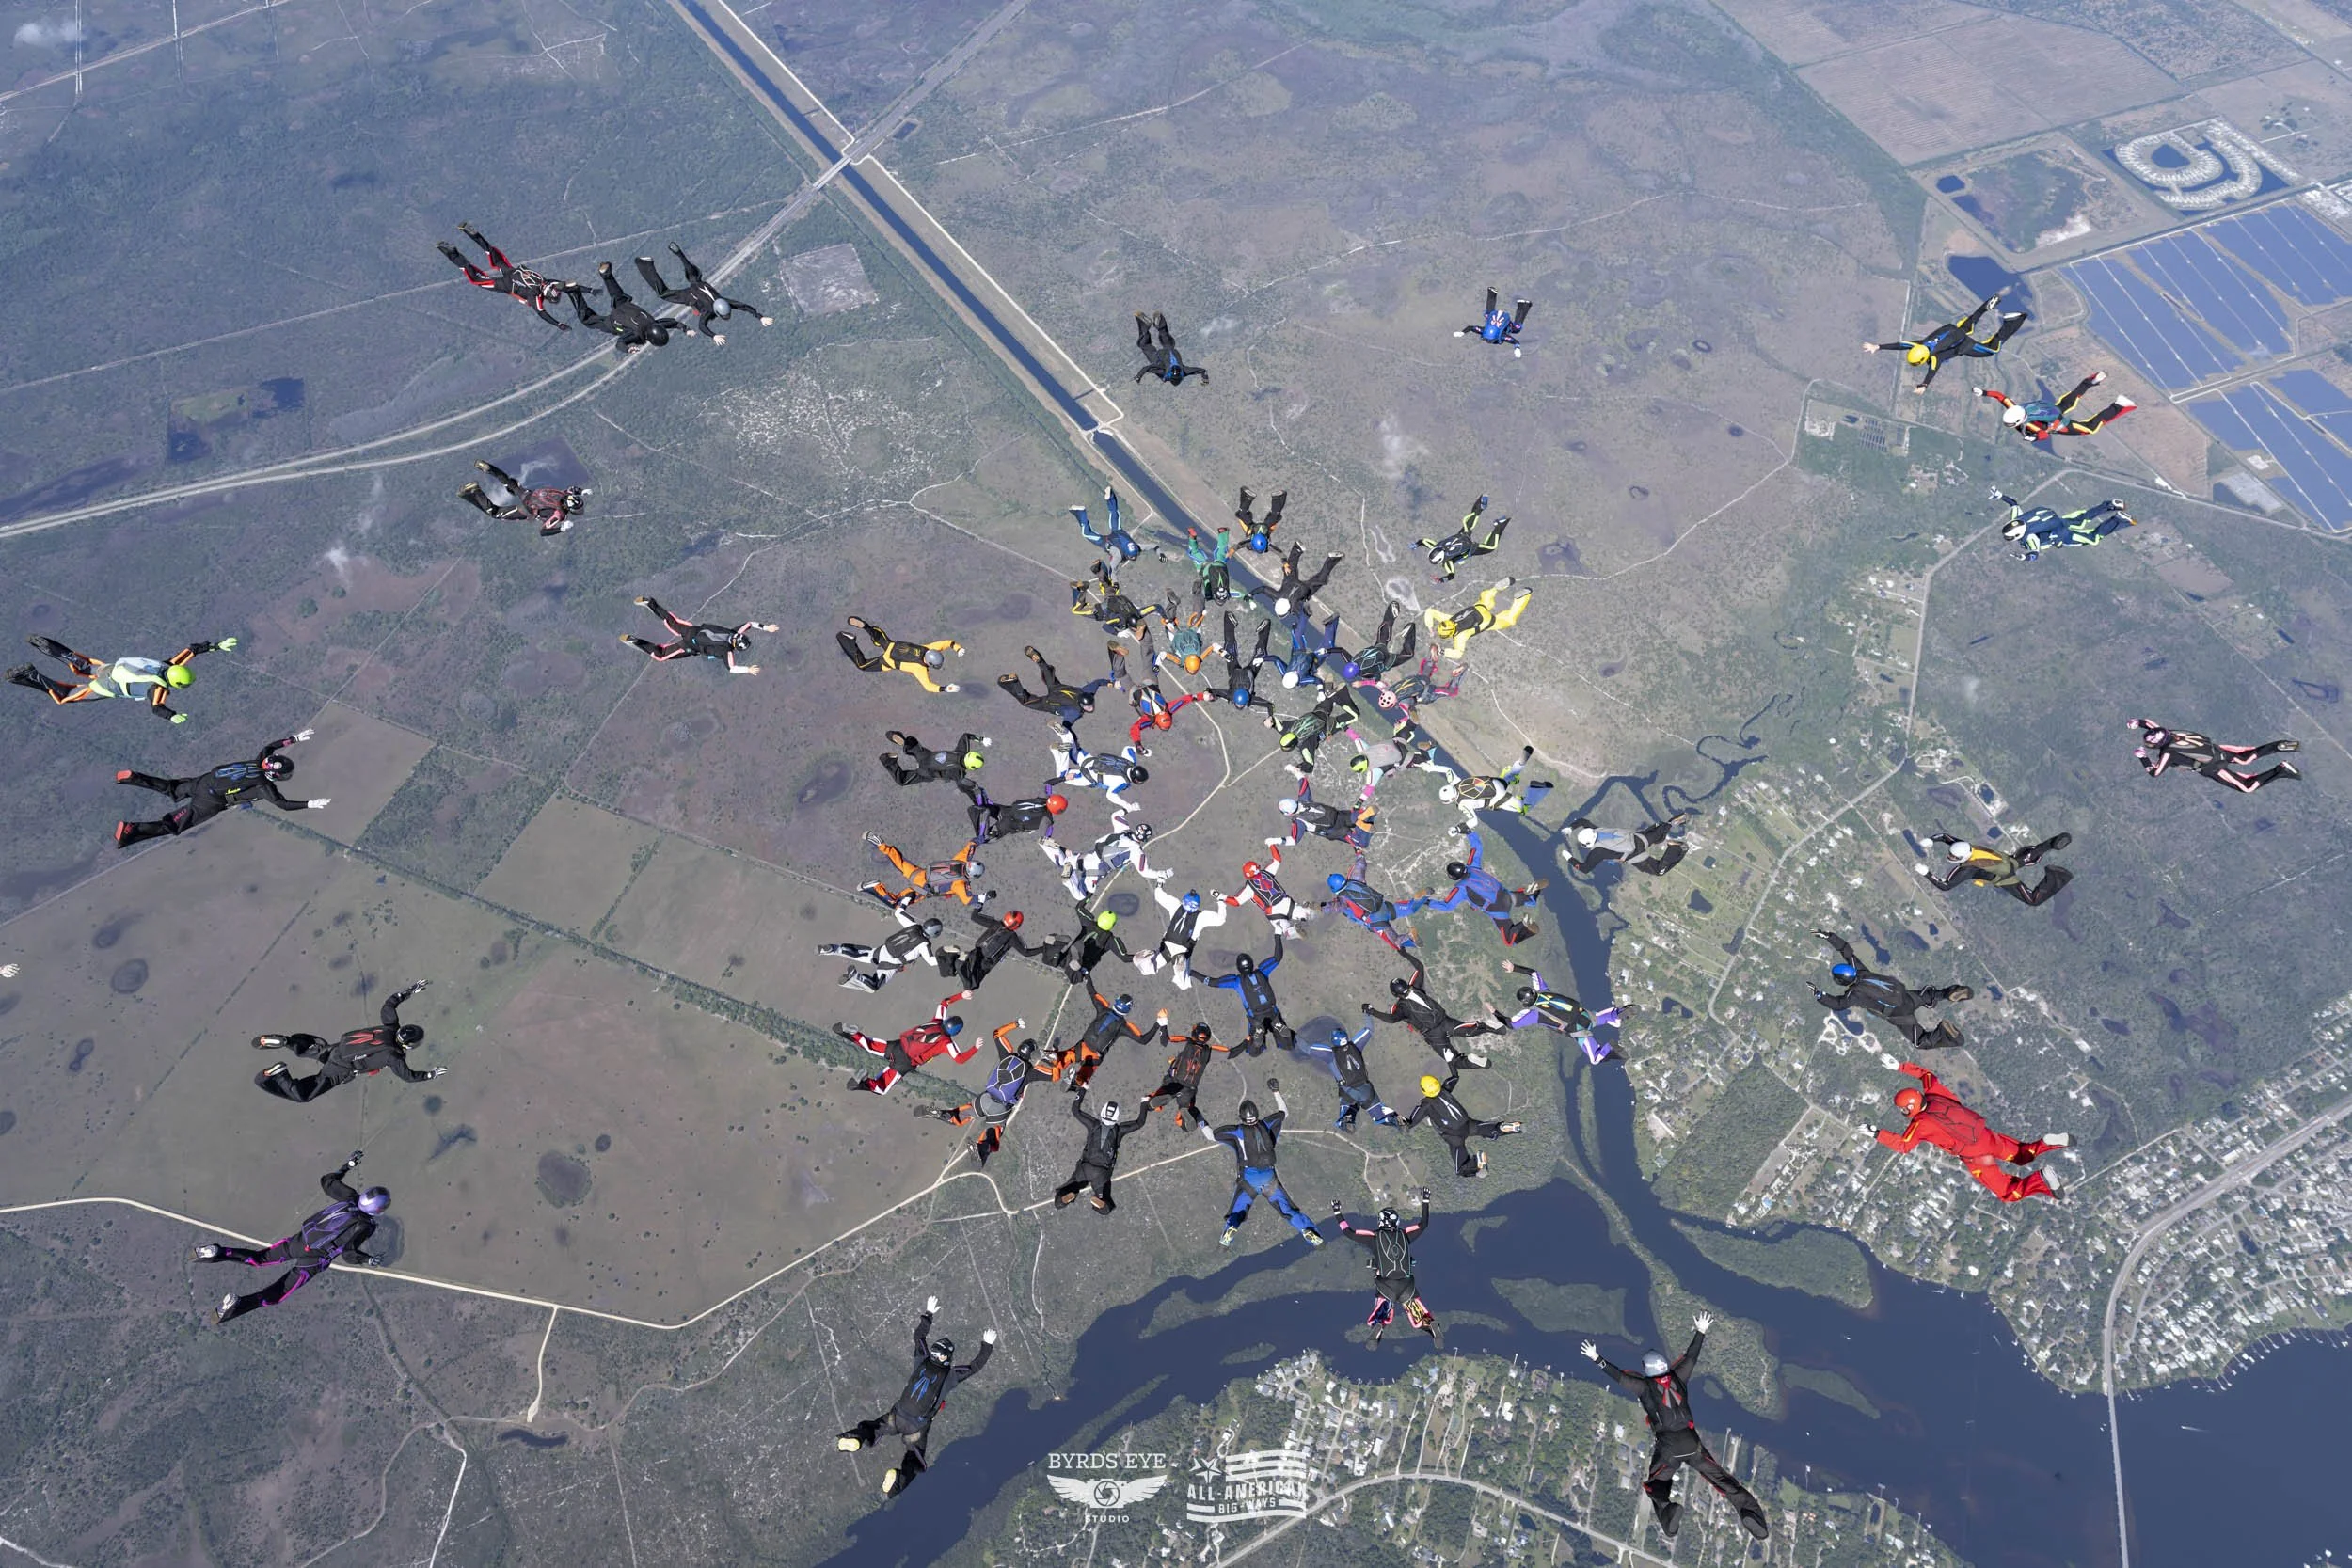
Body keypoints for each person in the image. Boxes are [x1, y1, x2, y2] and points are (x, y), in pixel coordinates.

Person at [1581, 1318, 1770, 1541]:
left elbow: (1620, 1377)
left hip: (1669, 1448)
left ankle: (1668, 1517)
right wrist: (1701, 1331)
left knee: (1656, 1485)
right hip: (1692, 1444)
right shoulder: (1678, 1377)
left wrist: (1596, 1358)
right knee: (1724, 1482)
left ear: (1647, 1370)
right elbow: (1691, 1357)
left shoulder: (1643, 1386)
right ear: (1664, 1365)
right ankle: (1752, 1514)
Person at [198, 1150, 389, 1324]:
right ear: (378, 1210)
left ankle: (218, 1252)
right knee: (275, 1295)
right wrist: (368, 1259)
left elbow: (327, 1182)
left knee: (259, 1258)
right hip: (314, 1260)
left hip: (299, 1242)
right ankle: (237, 1306)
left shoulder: (350, 1198)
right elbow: (348, 1254)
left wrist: (346, 1167)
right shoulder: (365, 1225)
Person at [836, 1299, 996, 1498]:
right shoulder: (951, 1376)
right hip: (917, 1428)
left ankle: (856, 1438)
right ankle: (896, 1482)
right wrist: (987, 1346)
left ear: (934, 1353)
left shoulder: (921, 1360)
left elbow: (919, 1336)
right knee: (915, 1460)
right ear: (948, 1359)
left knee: (873, 1428)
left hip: (897, 1415)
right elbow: (975, 1366)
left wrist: (928, 1314)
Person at [1876, 1060, 2070, 1202]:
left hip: (1975, 1156)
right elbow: (1927, 1075)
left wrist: (1876, 1133)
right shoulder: (1935, 1094)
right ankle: (2046, 1143)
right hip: (1986, 1136)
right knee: (2021, 1154)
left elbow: (1903, 1145)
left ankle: (2039, 1179)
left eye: (1903, 1109)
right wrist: (1900, 1067)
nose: (1903, 1112)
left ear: (1910, 1108)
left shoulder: (1920, 1124)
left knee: (2008, 1192)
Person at [114, 729, 330, 847]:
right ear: (275, 775)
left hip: (203, 780)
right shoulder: (263, 786)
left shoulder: (258, 762)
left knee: (171, 787)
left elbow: (268, 747)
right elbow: (283, 805)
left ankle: (134, 778)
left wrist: (293, 739)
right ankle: (132, 830)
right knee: (173, 826)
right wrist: (310, 804)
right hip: (209, 801)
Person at [253, 981, 444, 1103]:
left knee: (313, 1050)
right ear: (410, 1045)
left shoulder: (390, 1027)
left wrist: (409, 991)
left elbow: (389, 1005)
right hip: (342, 1067)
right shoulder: (393, 1057)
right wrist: (430, 1075)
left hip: (338, 1049)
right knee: (303, 1095)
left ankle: (288, 1041)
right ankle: (279, 1075)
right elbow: (409, 1076)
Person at [9, 633, 236, 723]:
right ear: (176, 683)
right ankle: (31, 675)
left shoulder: (168, 665)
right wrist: (172, 716)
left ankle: (47, 645)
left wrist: (216, 646)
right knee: (66, 696)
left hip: (110, 668)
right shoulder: (159, 688)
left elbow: (191, 650)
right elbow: (156, 707)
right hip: (106, 686)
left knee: (81, 663)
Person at [1812, 930, 1970, 1051]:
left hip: (1900, 1014)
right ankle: (1948, 993)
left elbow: (1838, 1004)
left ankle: (1943, 1032)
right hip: (1905, 996)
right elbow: (1846, 950)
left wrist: (1819, 995)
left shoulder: (1854, 995)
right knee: (1928, 996)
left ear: (1841, 981)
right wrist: (1829, 936)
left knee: (1921, 1042)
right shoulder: (1860, 970)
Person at [1205, 1086, 1323, 1246]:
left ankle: (1230, 1231)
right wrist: (1276, 1091)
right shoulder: (1266, 1125)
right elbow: (1284, 1113)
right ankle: (1308, 1231)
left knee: (1238, 1210)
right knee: (1288, 1210)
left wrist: (1199, 1120)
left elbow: (1211, 1136)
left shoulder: (1237, 1131)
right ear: (1256, 1115)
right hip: (1269, 1178)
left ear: (1241, 1117)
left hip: (1249, 1180)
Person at [929, 1021, 1057, 1164]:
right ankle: (982, 1148)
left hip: (985, 1098)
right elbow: (1055, 1075)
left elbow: (997, 1034)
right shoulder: (1030, 1071)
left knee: (966, 1113)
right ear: (1032, 1055)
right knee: (994, 1133)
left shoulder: (1007, 1055)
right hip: (1001, 1107)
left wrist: (1014, 1024)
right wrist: (1052, 1057)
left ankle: (945, 1114)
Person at [1399, 825, 1546, 946]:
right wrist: (1468, 831)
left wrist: (1425, 901)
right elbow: (1477, 847)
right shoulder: (1473, 867)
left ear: (1453, 877)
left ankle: (1524, 925)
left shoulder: (1461, 889)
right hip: (1506, 895)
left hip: (1497, 908)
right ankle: (1532, 892)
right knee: (1530, 901)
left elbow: (1446, 906)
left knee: (1510, 941)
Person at [1865, 293, 2027, 392]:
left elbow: (1932, 371)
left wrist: (1924, 385)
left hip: (1964, 344)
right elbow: (1901, 345)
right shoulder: (1920, 344)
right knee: (1973, 319)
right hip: (1954, 331)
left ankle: (2014, 320)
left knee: (1992, 350)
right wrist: (1878, 347)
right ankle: (1988, 305)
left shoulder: (1936, 357)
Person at [1334, 1192, 1438, 1344]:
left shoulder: (1374, 1237)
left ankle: (1378, 1326)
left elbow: (1349, 1232)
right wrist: (1426, 1201)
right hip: (1407, 1283)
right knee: (1415, 1309)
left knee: (1382, 1309)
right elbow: (1423, 1224)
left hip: (1385, 1284)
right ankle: (1430, 1325)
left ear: (1381, 1221)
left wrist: (1338, 1213)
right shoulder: (1404, 1235)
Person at [1362, 961, 1498, 1071]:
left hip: (1433, 1035)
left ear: (1395, 995)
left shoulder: (1400, 1007)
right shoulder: (1415, 987)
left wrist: (1372, 1011)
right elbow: (1420, 967)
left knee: (1454, 1061)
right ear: (1406, 985)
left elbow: (1391, 1019)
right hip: (1445, 1021)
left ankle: (1473, 1061)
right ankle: (1489, 1027)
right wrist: (1402, 952)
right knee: (1470, 1030)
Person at [436, 224, 577, 329]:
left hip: (511, 272)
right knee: (476, 279)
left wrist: (568, 286)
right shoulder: (535, 298)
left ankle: (472, 233)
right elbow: (542, 314)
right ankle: (451, 252)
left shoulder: (545, 281)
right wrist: (558, 324)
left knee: (492, 253)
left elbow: (559, 284)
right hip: (505, 285)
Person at [837, 991, 977, 1095]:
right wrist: (975, 1047)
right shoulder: (946, 1043)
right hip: (904, 1063)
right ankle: (863, 1083)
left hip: (898, 1045)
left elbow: (944, 1002)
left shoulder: (937, 1020)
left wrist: (962, 996)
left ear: (947, 1020)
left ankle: (851, 1033)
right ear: (955, 1033)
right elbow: (960, 1059)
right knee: (882, 1088)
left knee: (870, 1045)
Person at [634, 244, 771, 342]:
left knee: (693, 276)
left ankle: (679, 254)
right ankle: (645, 264)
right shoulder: (708, 311)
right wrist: (713, 336)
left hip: (699, 284)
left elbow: (744, 306)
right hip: (690, 296)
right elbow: (702, 326)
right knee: (663, 293)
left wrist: (760, 317)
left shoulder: (723, 301)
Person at [1500, 960, 1625, 1066]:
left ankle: (1611, 1048)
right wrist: (1514, 968)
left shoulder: (1534, 1014)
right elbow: (1533, 972)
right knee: (1599, 1018)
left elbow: (1511, 1025)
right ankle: (1615, 1015)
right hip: (1583, 1014)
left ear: (1525, 1002)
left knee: (1596, 1058)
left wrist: (1494, 1012)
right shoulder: (1543, 991)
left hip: (1576, 1029)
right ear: (1533, 991)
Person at [2129, 718, 2299, 793]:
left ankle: (2282, 771)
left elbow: (2155, 773)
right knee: (2245, 758)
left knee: (2246, 787)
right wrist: (2137, 722)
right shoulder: (2170, 733)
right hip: (2216, 751)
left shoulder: (2168, 753)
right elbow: (2150, 724)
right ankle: (2279, 746)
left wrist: (2142, 757)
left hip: (2212, 767)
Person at [1404, 1069, 1522, 1177]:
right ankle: (1502, 1128)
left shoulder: (1425, 1105)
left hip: (1454, 1136)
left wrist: (1389, 1117)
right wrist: (1453, 1064)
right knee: (1486, 1129)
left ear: (1424, 1090)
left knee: (1461, 1169)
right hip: (1466, 1124)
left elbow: (1409, 1124)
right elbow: (1454, 1078)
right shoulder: (1445, 1090)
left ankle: (1478, 1163)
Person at [621, 597, 776, 673]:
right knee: (661, 655)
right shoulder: (726, 651)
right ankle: (636, 642)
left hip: (693, 630)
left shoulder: (734, 632)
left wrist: (766, 627)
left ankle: (650, 603)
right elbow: (732, 668)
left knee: (671, 621)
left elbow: (750, 624)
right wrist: (748, 669)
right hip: (690, 645)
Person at [1057, 1088, 1151, 1212]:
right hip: (1101, 1173)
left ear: (1102, 1113)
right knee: (1107, 1207)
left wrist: (1083, 1090)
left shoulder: (1093, 1125)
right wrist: (1144, 1103)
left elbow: (1075, 1111)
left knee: (1061, 1198)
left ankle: (1065, 1197)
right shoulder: (1119, 1131)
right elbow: (1139, 1123)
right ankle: (1101, 1202)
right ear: (1117, 1117)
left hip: (1085, 1168)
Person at [1921, 831, 2072, 906]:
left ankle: (2057, 876)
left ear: (1961, 858)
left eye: (1953, 857)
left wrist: (1927, 873)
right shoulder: (1968, 847)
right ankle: (2053, 843)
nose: (1950, 857)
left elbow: (1945, 886)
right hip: (2011, 861)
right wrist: (1931, 840)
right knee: (2035, 852)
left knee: (2033, 900)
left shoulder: (1968, 868)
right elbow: (1946, 837)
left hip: (2006, 878)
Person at [1053, 990, 1165, 1090]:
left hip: (1084, 1044)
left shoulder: (1103, 1010)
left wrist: (1086, 975)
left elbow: (1093, 994)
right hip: (1095, 1054)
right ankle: (1078, 1079)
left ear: (1116, 1002)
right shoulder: (1123, 1026)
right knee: (1085, 1075)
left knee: (1066, 1056)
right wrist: (1158, 1024)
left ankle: (1055, 1057)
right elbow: (1143, 1040)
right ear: (1128, 1009)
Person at [1200, 940, 1295, 1054]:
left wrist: (1191, 973)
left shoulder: (1237, 981)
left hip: (1256, 1017)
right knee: (1289, 1045)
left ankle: (1258, 1035)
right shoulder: (1262, 972)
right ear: (1251, 963)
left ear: (1239, 968)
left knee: (1253, 1051)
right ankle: (1278, 1027)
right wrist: (1277, 935)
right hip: (1272, 1012)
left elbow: (1212, 982)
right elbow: (1278, 957)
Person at [820, 907, 946, 993]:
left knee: (863, 954)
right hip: (891, 963)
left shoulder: (913, 926)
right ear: (935, 934)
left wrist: (907, 898)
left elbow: (899, 912)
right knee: (874, 986)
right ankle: (857, 977)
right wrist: (948, 958)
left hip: (883, 950)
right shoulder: (924, 945)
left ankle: (835, 949)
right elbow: (931, 961)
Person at [1295, 1023, 1397, 1129]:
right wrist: (1368, 1013)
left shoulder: (1330, 1054)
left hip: (1348, 1090)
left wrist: (1294, 1036)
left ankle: (1347, 1118)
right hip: (1366, 1089)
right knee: (1379, 1116)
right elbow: (1369, 1029)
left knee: (1347, 1104)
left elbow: (1307, 1048)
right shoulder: (1355, 1046)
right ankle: (1394, 1120)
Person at [1043, 818, 1169, 903]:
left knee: (1063, 861)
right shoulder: (1136, 851)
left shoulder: (1124, 831)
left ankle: (1046, 845)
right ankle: (1069, 878)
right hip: (1098, 869)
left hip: (1090, 856)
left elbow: (1115, 816)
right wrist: (1162, 874)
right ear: (1145, 839)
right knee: (1081, 895)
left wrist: (1128, 808)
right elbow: (1144, 871)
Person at [1978, 373, 2134, 440]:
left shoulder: (2030, 423)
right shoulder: (2016, 408)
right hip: (2051, 410)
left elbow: (2044, 435)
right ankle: (2091, 380)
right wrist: (1984, 392)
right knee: (2070, 400)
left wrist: (2034, 437)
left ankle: (2119, 405)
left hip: (2058, 423)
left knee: (2090, 428)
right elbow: (2001, 397)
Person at [1422, 746, 1552, 825]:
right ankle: (1520, 763)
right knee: (1509, 777)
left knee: (1524, 808)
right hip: (1493, 782)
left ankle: (1536, 789)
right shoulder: (1455, 782)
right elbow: (1447, 769)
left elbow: (1473, 821)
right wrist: (1431, 768)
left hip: (1497, 797)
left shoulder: (1463, 804)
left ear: (1450, 799)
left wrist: (1459, 828)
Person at [1993, 489, 2135, 561]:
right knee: (2083, 517)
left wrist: (2024, 557)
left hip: (2064, 536)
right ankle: (2110, 505)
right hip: (2059, 522)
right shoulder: (2019, 518)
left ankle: (2118, 520)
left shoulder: (2028, 538)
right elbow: (2014, 504)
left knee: (2093, 538)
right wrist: (2000, 496)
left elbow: (2035, 554)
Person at [567, 262, 680, 351]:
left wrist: (684, 328)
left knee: (618, 295)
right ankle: (573, 292)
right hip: (613, 322)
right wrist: (629, 349)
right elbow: (620, 344)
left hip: (627, 308)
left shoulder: (654, 322)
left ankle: (606, 274)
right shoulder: (636, 334)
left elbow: (671, 322)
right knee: (587, 320)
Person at [837, 616, 965, 694]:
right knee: (862, 665)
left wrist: (958, 649)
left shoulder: (929, 648)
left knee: (878, 639)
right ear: (930, 663)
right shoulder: (919, 668)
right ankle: (848, 640)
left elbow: (947, 643)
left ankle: (866, 627)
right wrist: (945, 689)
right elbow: (928, 686)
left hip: (891, 645)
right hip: (887, 661)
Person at [458, 460, 589, 536]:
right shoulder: (559, 515)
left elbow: (572, 489)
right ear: (568, 508)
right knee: (495, 513)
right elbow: (543, 532)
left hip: (529, 495)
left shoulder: (564, 495)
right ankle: (475, 490)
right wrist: (561, 528)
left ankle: (488, 468)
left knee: (510, 483)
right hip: (526, 509)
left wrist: (582, 491)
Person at [1134, 885, 1228, 989]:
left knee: (1147, 970)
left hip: (1167, 946)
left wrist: (1160, 882)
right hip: (1183, 949)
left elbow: (1158, 895)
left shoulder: (1175, 905)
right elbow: (1221, 920)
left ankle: (1146, 957)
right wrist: (1220, 899)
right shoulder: (1202, 916)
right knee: (1183, 985)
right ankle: (1178, 962)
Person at [862, 833, 988, 909]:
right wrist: (984, 898)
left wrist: (983, 838)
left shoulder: (961, 860)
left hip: (920, 873)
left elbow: (972, 845)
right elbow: (969, 900)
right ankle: (876, 887)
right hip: (920, 889)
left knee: (898, 860)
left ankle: (880, 844)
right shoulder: (960, 884)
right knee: (896, 904)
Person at [997, 643, 1115, 724]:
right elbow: (1066, 726)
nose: (1091, 707)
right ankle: (1015, 682)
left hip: (1058, 688)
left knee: (1047, 673)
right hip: (1048, 703)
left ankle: (1040, 662)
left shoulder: (1087, 692)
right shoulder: (1075, 712)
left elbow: (1097, 682)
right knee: (1026, 701)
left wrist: (1111, 683)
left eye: (1090, 705)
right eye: (1089, 707)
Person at [1143, 1022, 1227, 1130]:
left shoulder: (1186, 1044)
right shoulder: (1208, 1052)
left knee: (1155, 1098)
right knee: (1187, 1107)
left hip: (1174, 1081)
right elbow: (1230, 1053)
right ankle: (1185, 1114)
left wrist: (1163, 1025)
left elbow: (1165, 1041)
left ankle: (1156, 1101)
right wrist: (1247, 1043)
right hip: (1189, 1088)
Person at [936, 905, 1039, 992]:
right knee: (971, 986)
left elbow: (974, 917)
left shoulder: (995, 924)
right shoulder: (1012, 937)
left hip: (975, 953)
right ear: (1016, 925)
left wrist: (981, 901)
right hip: (985, 963)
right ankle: (959, 965)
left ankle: (948, 964)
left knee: (957, 971)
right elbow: (1026, 952)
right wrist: (1043, 949)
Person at [1424, 578, 1531, 659]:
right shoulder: (1449, 619)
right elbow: (1430, 612)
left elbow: (1458, 654)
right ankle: (1494, 590)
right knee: (1486, 597)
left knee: (1509, 619)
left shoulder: (1460, 636)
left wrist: (1442, 652)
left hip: (1487, 621)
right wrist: (1430, 628)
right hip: (1479, 607)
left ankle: (1521, 598)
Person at [1047, 723, 1150, 808]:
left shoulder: (1130, 762)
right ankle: (1059, 751)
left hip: (1091, 760)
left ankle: (1066, 737)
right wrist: (1127, 806)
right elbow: (1111, 795)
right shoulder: (1123, 782)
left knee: (1073, 750)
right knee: (1062, 776)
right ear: (1135, 780)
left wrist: (1143, 751)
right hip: (1087, 776)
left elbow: (1128, 749)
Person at [1223, 842, 1312, 937]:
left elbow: (1236, 902)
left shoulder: (1249, 888)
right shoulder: (1266, 873)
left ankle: (1293, 930)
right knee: (1307, 914)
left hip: (1272, 911)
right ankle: (1314, 912)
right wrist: (1271, 844)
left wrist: (1220, 896)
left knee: (1286, 930)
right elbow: (1277, 859)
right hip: (1285, 902)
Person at [1202, 611, 1279, 721]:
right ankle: (1228, 620)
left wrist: (1270, 717)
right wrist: (1207, 693)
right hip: (1235, 671)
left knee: (1261, 653)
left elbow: (1269, 705)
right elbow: (1212, 690)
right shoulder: (1230, 695)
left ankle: (1265, 628)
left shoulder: (1249, 699)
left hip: (1250, 671)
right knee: (1229, 646)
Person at [1564, 814, 1689, 877]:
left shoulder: (1597, 852)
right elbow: (1582, 821)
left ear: (1587, 844)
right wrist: (1571, 827)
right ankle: (1674, 821)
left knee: (1658, 871)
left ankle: (1675, 847)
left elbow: (1584, 869)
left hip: (1634, 855)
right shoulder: (1596, 829)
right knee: (1658, 834)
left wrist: (1569, 858)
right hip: (1638, 838)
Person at [1324, 870, 1418, 955]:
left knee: (1394, 941)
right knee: (1404, 913)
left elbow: (1334, 907)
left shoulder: (1343, 899)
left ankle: (1409, 938)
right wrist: (1359, 853)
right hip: (1381, 907)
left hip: (1373, 920)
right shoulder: (1355, 881)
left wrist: (1318, 907)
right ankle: (1413, 941)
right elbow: (1360, 865)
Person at [1420, 496, 1511, 581]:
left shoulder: (1447, 562)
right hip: (1461, 536)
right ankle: (1480, 505)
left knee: (1491, 547)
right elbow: (1423, 541)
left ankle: (1499, 525)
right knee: (1469, 524)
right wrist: (1416, 544)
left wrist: (1441, 580)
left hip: (1470, 549)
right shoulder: (1435, 545)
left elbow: (1451, 575)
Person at [1245, 543, 1343, 620]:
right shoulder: (1276, 597)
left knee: (1320, 579)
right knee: (1290, 568)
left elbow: (1303, 616)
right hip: (1291, 581)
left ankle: (1333, 559)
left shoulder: (1294, 607)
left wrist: (1304, 616)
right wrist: (1250, 595)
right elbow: (1263, 589)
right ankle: (1297, 548)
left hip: (1304, 589)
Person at [1039, 910, 1134, 988]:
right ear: (1112, 925)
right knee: (1075, 979)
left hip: (1066, 957)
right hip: (1080, 966)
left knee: (1051, 960)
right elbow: (1125, 958)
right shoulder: (1110, 940)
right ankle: (1075, 964)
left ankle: (1053, 947)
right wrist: (1142, 958)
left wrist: (1089, 894)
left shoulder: (1088, 923)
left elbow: (1079, 908)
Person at [1279, 778, 1376, 851]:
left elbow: (1293, 840)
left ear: (1289, 813)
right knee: (1363, 816)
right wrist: (1292, 769)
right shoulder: (1303, 801)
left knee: (1362, 843)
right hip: (1339, 815)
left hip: (1337, 831)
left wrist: (1274, 841)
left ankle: (1361, 825)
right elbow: (1303, 781)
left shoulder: (1299, 821)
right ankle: (1360, 816)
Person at [1334, 600, 1416, 688]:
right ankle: (1391, 611)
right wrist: (1327, 651)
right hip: (1377, 649)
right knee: (1384, 632)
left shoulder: (1364, 673)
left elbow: (1377, 678)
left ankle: (1410, 631)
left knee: (1408, 654)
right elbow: (1341, 651)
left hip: (1387, 661)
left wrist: (1362, 683)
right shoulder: (1352, 660)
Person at [880, 731, 991, 790]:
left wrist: (981, 739)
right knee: (902, 780)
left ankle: (904, 741)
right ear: (972, 767)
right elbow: (961, 784)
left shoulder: (962, 751)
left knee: (913, 747)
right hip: (926, 772)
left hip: (927, 756)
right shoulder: (958, 772)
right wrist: (973, 787)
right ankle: (888, 760)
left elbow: (966, 736)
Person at [1070, 562, 1153, 637]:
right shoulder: (1120, 620)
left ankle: (1100, 567)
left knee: (1107, 586)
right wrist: (1118, 633)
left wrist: (1166, 618)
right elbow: (1105, 626)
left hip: (1113, 599)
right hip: (1102, 610)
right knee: (1077, 609)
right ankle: (1081, 589)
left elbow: (1155, 607)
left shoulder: (1138, 613)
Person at [1346, 720, 1435, 791]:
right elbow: (1355, 738)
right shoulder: (1363, 750)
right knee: (1407, 729)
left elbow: (1369, 788)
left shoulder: (1375, 770)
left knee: (1425, 759)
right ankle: (1412, 722)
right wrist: (1345, 728)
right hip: (1395, 743)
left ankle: (1427, 748)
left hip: (1404, 759)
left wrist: (1360, 802)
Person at [965, 785, 1066, 846]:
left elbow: (1048, 784)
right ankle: (982, 820)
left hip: (1007, 811)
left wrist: (1063, 778)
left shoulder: (1043, 798)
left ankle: (980, 801)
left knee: (988, 807)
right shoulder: (1047, 819)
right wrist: (1050, 841)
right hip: (1010, 823)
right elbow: (1047, 835)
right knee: (985, 838)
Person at [1071, 484, 1143, 562]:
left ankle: (1110, 496)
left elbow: (1149, 547)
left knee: (1114, 513)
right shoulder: (1121, 555)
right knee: (1087, 534)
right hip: (1107, 541)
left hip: (1118, 532)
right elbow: (1114, 562)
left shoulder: (1136, 548)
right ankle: (1081, 513)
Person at [1134, 309, 1207, 385]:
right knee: (1144, 345)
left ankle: (1159, 322)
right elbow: (1147, 368)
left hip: (1171, 350)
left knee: (1165, 337)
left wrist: (1205, 379)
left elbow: (1202, 370)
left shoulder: (1185, 371)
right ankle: (1145, 325)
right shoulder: (1165, 370)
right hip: (1159, 357)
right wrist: (1138, 376)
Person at [1167, 527, 1235, 602]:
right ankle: (1192, 537)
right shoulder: (1209, 593)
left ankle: (1223, 533)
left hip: (1219, 567)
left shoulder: (1226, 591)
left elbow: (1238, 594)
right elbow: (1199, 592)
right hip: (1204, 569)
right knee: (1194, 552)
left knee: (1221, 552)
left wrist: (1247, 597)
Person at [1456, 288, 1531, 354]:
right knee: (1487, 314)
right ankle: (1492, 293)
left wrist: (1517, 348)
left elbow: (1515, 342)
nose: (1488, 341)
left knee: (1517, 328)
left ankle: (1523, 306)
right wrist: (1462, 332)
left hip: (1505, 323)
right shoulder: (1483, 331)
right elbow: (1470, 328)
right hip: (1496, 318)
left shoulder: (1502, 336)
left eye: (1489, 340)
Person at [1232, 487, 1284, 553]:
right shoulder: (1250, 540)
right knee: (1242, 514)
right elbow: (1239, 545)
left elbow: (1278, 552)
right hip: (1255, 529)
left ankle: (1276, 498)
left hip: (1262, 529)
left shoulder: (1265, 544)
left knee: (1275, 515)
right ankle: (1248, 498)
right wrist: (1232, 551)